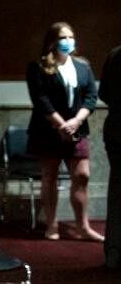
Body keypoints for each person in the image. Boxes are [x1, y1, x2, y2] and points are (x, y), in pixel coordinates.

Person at [25, 23, 102, 241]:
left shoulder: (83, 66)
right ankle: (51, 225)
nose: (68, 41)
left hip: (77, 128)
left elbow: (91, 96)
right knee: (50, 176)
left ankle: (83, 227)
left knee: (82, 175)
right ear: (52, 41)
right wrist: (61, 125)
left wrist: (76, 121)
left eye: (71, 36)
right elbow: (40, 99)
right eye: (63, 37)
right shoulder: (38, 67)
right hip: (49, 130)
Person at [101, 44, 121, 269]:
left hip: (115, 130)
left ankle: (114, 252)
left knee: (116, 192)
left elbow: (103, 93)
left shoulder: (114, 54)